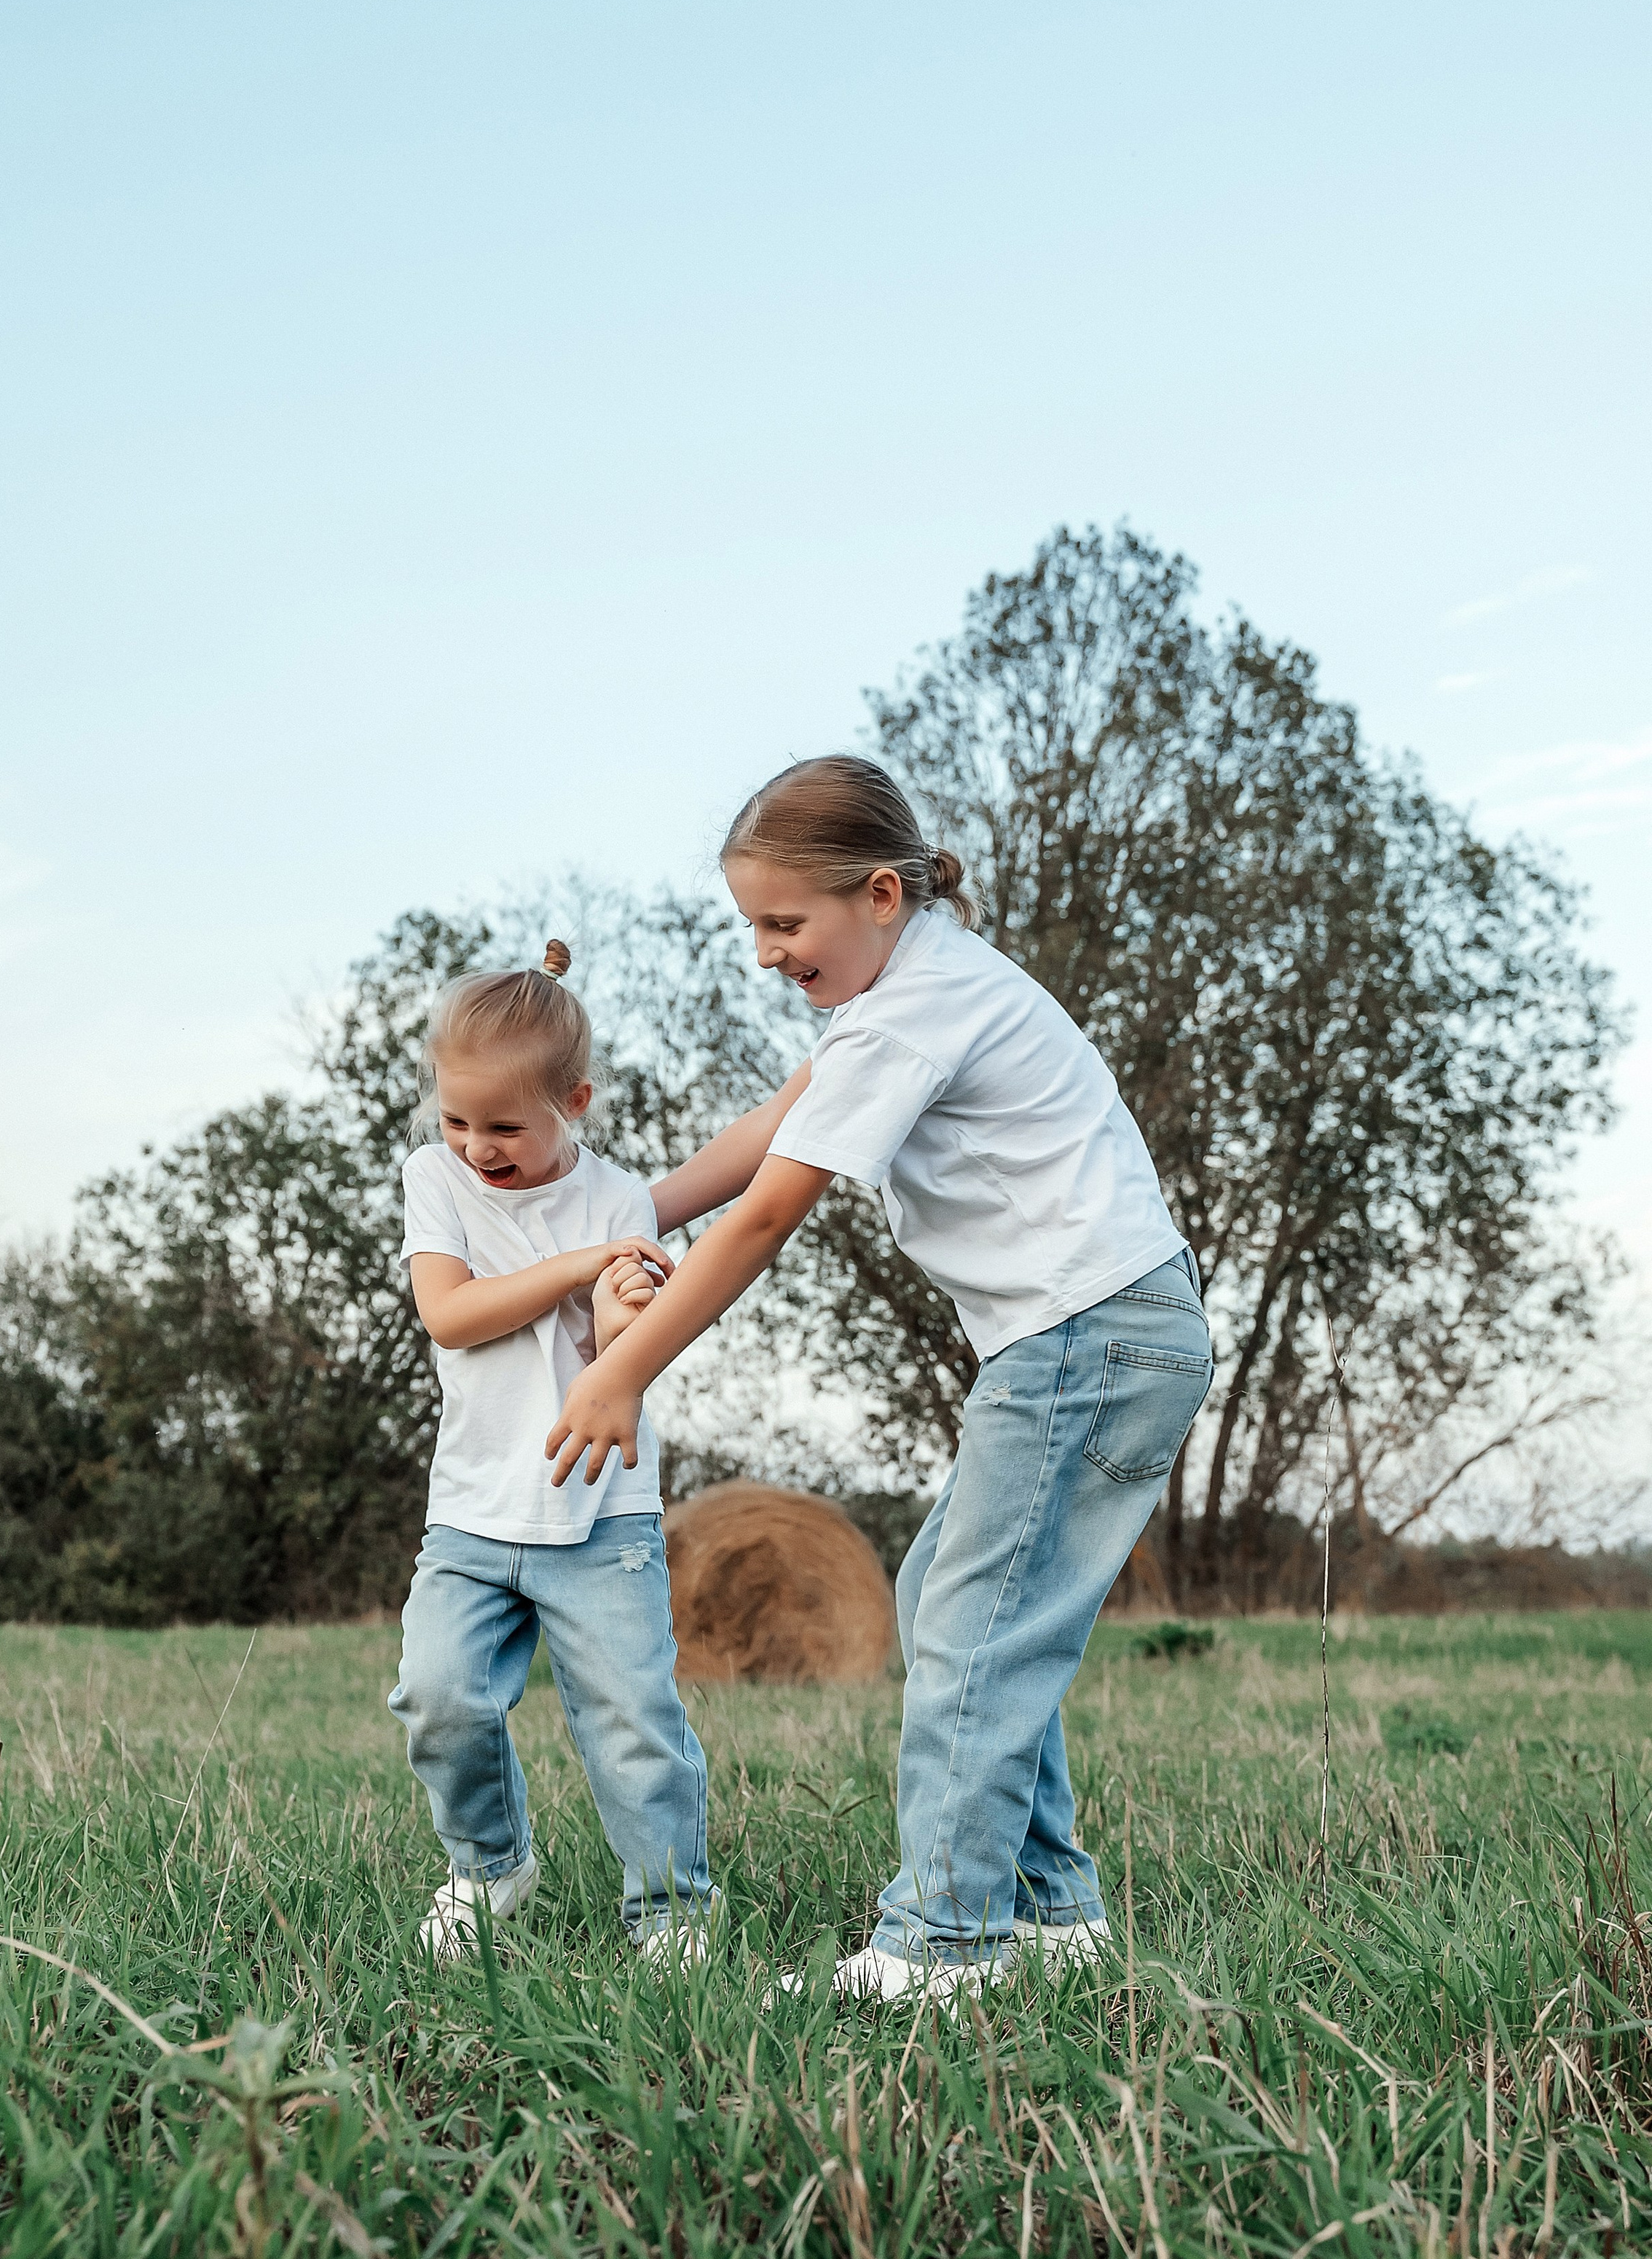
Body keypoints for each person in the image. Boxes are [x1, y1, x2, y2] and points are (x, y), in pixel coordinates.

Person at [546, 758, 1214, 2003]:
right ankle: (1053, 1915)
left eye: (785, 923)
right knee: (953, 1604)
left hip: (1086, 1335)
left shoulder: (915, 1010)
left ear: (885, 894)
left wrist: (621, 1368)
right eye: (752, 924)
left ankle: (942, 1946)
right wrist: (621, 1214)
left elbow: (763, 1219)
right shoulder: (915, 989)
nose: (764, 953)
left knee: (971, 1628)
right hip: (1111, 1329)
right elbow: (763, 1136)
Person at [391, 938, 803, 1963]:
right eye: (456, 1119)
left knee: (633, 1722)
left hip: (601, 1512)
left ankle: (671, 1913)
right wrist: (582, 1265)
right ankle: (490, 1866)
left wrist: (618, 1303)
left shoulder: (617, 1202)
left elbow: (625, 1346)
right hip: (473, 1511)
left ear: (572, 1099)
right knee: (437, 1695)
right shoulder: (436, 1182)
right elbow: (449, 1313)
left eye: (504, 1125)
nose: (477, 1145)